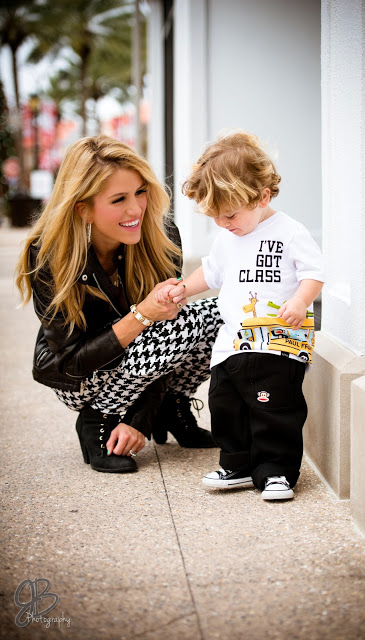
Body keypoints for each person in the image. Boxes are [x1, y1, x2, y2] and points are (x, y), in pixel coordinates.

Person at [16, 134, 222, 474]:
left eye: (140, 192)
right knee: (179, 322)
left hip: (147, 366)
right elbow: (72, 361)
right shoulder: (48, 256)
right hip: (81, 380)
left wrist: (141, 419)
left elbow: (165, 340)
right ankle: (98, 419)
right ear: (83, 209)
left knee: (219, 314)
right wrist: (142, 315)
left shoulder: (163, 237)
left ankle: (171, 407)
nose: (136, 209)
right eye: (118, 199)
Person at [155, 131, 325, 500]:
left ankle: (276, 470)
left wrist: (300, 300)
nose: (222, 222)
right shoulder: (227, 237)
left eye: (229, 214)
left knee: (274, 409)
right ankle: (237, 463)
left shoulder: (289, 232)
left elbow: (314, 273)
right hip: (231, 345)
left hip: (278, 344)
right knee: (225, 406)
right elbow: (212, 272)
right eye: (214, 216)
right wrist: (183, 289)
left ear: (262, 197)